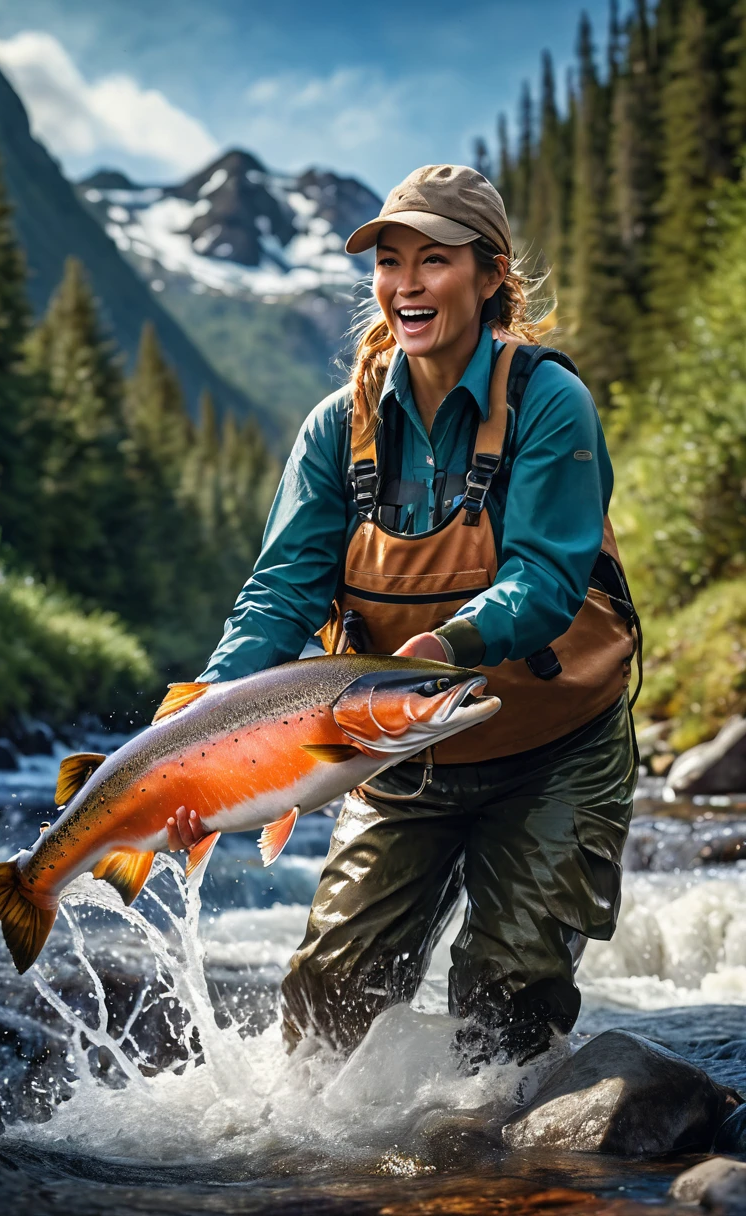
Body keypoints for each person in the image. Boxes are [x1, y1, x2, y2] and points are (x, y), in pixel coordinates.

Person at [166, 164, 639, 1070]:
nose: (406, 284)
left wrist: (443, 648)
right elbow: (282, 595)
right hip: (393, 751)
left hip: (556, 748)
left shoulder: (549, 403)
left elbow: (544, 579)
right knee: (326, 1003)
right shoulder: (333, 432)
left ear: (492, 275)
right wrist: (204, 730)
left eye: (434, 260)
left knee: (510, 1002)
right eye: (389, 261)